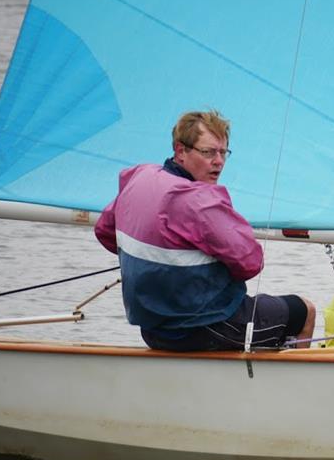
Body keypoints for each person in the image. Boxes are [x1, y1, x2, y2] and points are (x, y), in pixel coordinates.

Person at [95, 110, 315, 351]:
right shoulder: (200, 201)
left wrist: (157, 265)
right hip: (209, 327)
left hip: (153, 331)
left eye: (223, 152)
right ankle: (286, 385)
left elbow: (106, 231)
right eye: (208, 152)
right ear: (180, 151)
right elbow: (251, 262)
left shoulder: (139, 178)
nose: (218, 161)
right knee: (304, 310)